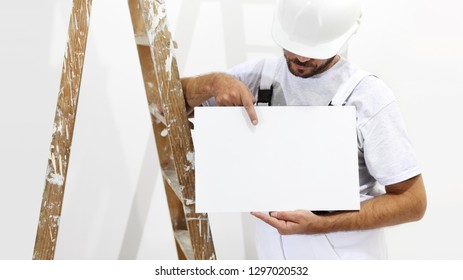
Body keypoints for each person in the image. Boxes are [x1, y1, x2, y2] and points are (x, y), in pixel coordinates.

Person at [181, 0, 426, 259]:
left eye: (314, 50)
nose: (301, 58)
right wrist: (212, 83)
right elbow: (169, 106)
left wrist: (323, 224)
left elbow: (413, 202)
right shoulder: (261, 75)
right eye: (294, 47)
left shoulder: (367, 96)